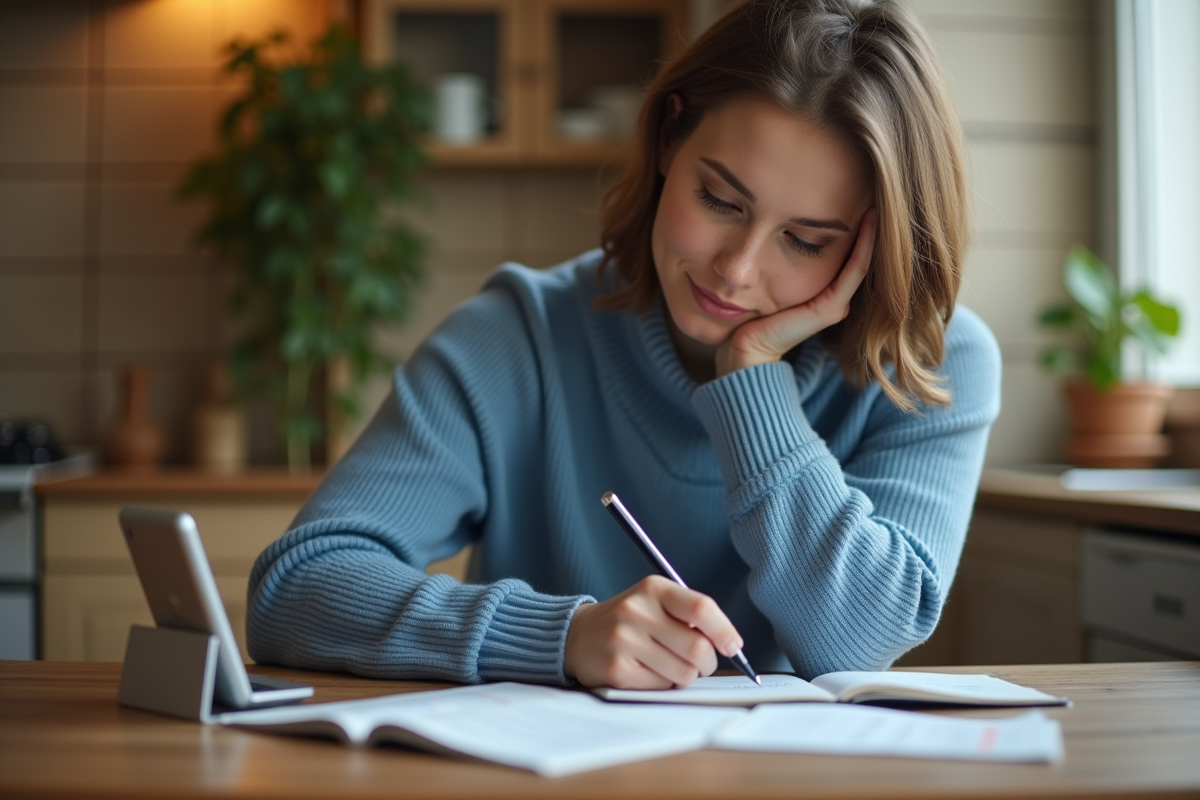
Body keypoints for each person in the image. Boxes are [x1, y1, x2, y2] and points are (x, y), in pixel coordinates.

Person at [246, 0, 1000, 690]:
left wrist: (751, 381)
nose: (735, 271)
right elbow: (296, 587)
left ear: (875, 248)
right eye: (719, 199)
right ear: (670, 135)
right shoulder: (518, 336)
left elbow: (857, 640)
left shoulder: (932, 366)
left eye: (805, 241)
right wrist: (557, 635)